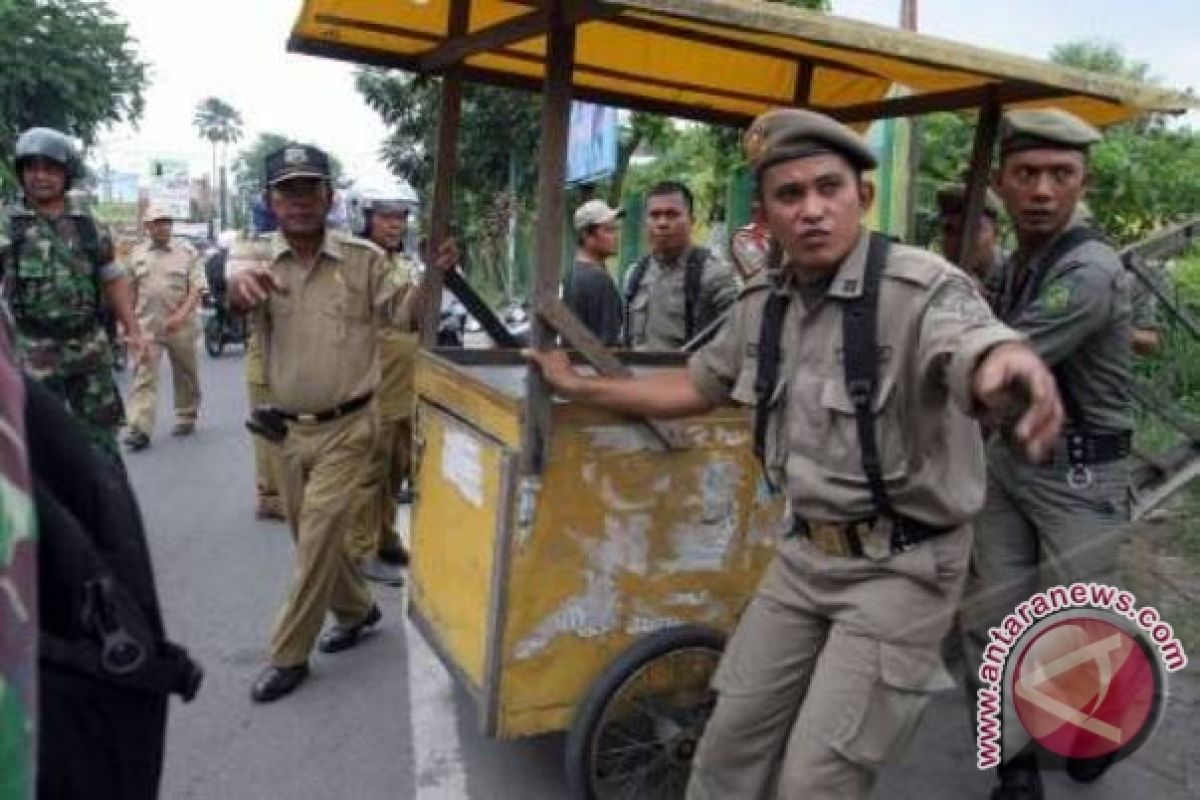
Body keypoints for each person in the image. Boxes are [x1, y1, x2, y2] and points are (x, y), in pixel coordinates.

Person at [526, 108, 1063, 799]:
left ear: (861, 198)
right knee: (726, 748)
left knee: (816, 780)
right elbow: (696, 382)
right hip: (805, 555)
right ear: (767, 217)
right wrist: (584, 385)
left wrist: (1006, 364)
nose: (811, 210)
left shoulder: (918, 286)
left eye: (828, 188)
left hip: (903, 567)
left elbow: (971, 338)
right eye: (789, 195)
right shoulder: (764, 301)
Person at [227, 145, 455, 702]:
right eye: (287, 190)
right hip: (286, 430)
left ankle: (289, 654)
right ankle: (357, 611)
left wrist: (437, 277)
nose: (300, 202)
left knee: (317, 542)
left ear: (330, 197)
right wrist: (236, 285)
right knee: (310, 536)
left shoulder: (363, 260)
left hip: (351, 427)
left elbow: (406, 314)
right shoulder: (256, 257)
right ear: (270, 200)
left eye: (310, 189)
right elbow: (234, 292)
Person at [960, 109, 1133, 800]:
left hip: (1080, 475)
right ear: (1000, 182)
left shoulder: (1087, 272)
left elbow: (1002, 359)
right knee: (990, 618)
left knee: (1076, 623)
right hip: (1012, 463)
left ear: (1082, 182)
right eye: (1026, 174)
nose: (1041, 190)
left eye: (1059, 176)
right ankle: (1014, 762)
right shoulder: (1022, 262)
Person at [0, 127, 147, 459]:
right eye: (32, 167)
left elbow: (112, 278)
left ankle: (104, 505)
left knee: (102, 445)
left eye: (50, 168)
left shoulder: (89, 226)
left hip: (88, 348)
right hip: (31, 350)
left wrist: (133, 329)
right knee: (38, 446)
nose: (40, 176)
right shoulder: (7, 225)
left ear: (67, 174)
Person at [350, 195, 419, 580]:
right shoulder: (359, 262)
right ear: (370, 220)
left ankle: (386, 537)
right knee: (370, 470)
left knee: (396, 467)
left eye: (400, 219)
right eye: (386, 218)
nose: (395, 225)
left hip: (404, 381)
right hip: (374, 382)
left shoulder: (402, 262)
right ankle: (362, 551)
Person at [122, 203, 204, 451]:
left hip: (181, 325)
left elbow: (196, 289)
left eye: (167, 222)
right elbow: (128, 291)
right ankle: (140, 428)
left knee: (186, 373)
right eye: (157, 222)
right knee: (143, 376)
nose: (163, 227)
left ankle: (186, 414)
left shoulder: (186, 252)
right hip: (147, 326)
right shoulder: (136, 254)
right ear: (147, 226)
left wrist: (180, 315)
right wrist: (127, 326)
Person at [623, 180, 738, 350]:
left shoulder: (715, 275)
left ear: (691, 220)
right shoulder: (634, 275)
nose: (662, 223)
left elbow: (735, 343)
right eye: (654, 215)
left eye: (672, 214)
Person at [564, 199, 624, 346]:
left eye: (616, 229)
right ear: (587, 235)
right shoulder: (598, 280)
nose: (616, 236)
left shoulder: (571, 273)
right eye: (609, 230)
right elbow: (609, 343)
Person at [936, 182, 1006, 302]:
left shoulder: (1016, 277)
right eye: (950, 230)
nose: (959, 241)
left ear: (995, 234)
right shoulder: (938, 276)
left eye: (973, 230)